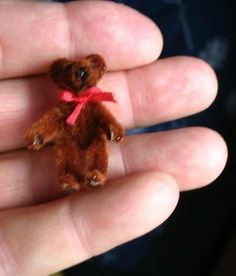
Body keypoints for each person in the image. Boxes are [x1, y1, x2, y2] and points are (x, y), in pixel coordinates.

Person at [0, 1, 227, 275]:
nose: (78, 74)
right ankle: (71, 177)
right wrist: (38, 134)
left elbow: (105, 119)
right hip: (70, 140)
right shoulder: (63, 107)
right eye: (70, 72)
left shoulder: (94, 105)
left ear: (96, 70)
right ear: (59, 76)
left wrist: (114, 129)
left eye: (84, 71)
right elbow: (51, 123)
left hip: (93, 138)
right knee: (67, 154)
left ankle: (96, 173)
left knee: (97, 151)